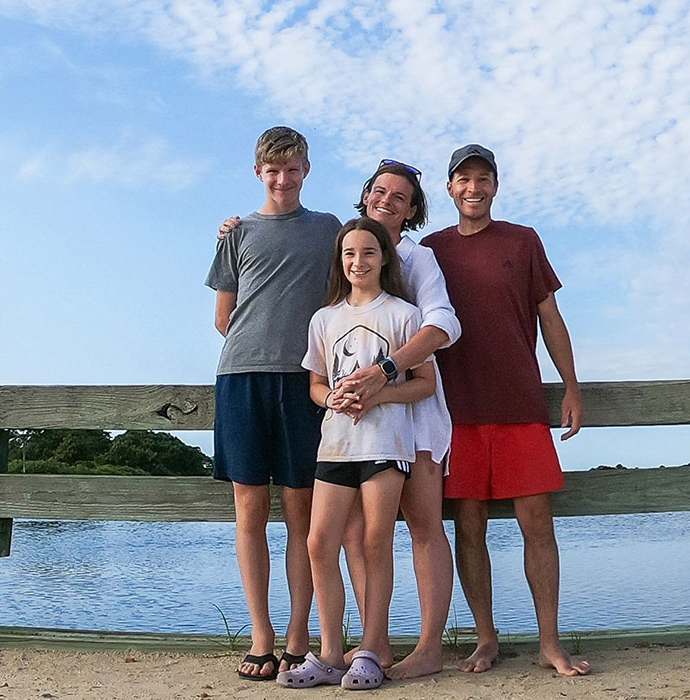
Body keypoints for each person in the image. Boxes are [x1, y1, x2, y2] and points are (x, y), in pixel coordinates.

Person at [222, 160, 460, 679]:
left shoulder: (418, 263)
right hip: (343, 435)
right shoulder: (336, 249)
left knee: (417, 527)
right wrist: (238, 230)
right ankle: (355, 647)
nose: (386, 201)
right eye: (379, 191)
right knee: (342, 535)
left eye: (400, 196)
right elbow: (288, 243)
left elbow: (444, 325)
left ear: (413, 209)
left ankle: (423, 647)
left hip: (407, 423)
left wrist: (383, 377)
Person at [420, 144, 590, 676]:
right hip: (455, 410)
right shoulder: (430, 250)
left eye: (483, 178)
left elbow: (550, 317)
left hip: (520, 404)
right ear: (450, 188)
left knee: (537, 522)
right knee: (468, 525)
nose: (473, 188)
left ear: (495, 186)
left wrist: (572, 387)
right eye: (463, 179)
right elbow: (366, 253)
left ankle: (549, 642)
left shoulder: (523, 240)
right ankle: (486, 639)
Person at [204, 126, 341, 681]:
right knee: (249, 508)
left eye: (292, 168)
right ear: (258, 172)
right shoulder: (237, 233)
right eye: (273, 170)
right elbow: (223, 317)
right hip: (241, 379)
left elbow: (351, 281)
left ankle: (298, 634)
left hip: (305, 383)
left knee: (301, 512)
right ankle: (261, 634)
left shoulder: (329, 229)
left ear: (307, 169)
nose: (283, 179)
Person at [279, 217, 436, 689]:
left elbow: (425, 384)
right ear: (339, 261)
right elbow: (315, 383)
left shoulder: (405, 315)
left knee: (374, 542)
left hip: (386, 445)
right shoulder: (324, 319)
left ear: (384, 258)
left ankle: (370, 650)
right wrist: (333, 398)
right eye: (349, 253)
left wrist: (380, 394)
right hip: (336, 445)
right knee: (318, 542)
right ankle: (329, 653)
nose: (358, 262)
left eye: (368, 252)